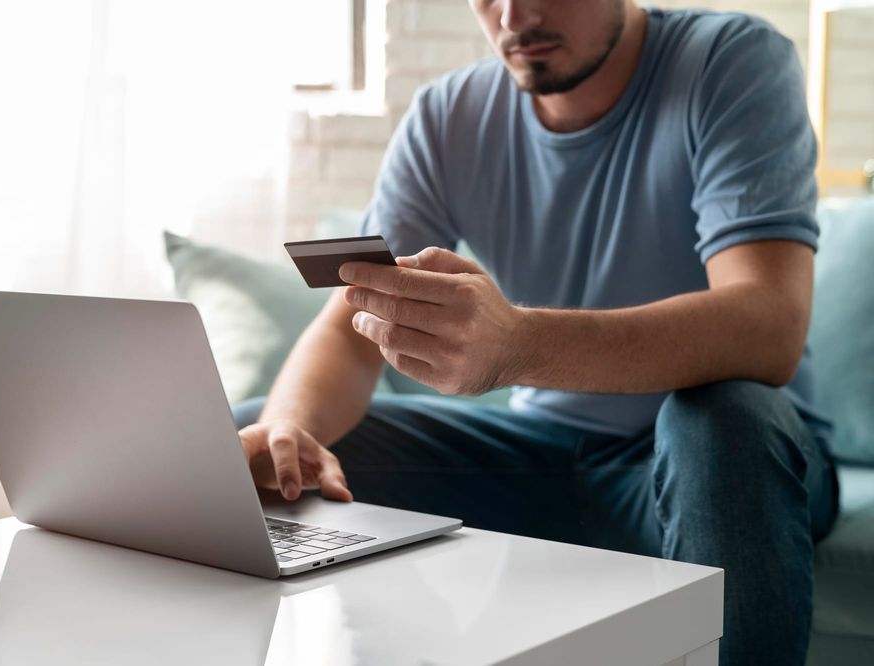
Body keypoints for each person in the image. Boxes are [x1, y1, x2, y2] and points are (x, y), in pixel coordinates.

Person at [233, 1, 839, 664]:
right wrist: (294, 425)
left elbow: (769, 326)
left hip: (728, 460)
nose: (516, 14)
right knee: (259, 444)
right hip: (542, 456)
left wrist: (518, 345)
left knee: (722, 420)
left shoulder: (729, 61)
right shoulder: (449, 115)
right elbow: (353, 324)